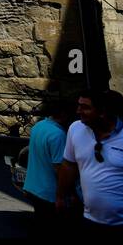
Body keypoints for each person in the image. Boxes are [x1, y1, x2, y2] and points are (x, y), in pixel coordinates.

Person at [56, 89, 123, 232]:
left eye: (85, 107)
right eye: (79, 105)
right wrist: (61, 196)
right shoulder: (75, 129)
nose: (78, 111)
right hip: (88, 220)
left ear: (102, 112)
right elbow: (69, 165)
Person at [23, 97, 74, 233]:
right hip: (49, 193)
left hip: (34, 187)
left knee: (40, 225)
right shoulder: (58, 135)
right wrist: (65, 194)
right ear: (64, 115)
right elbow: (59, 169)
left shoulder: (38, 126)